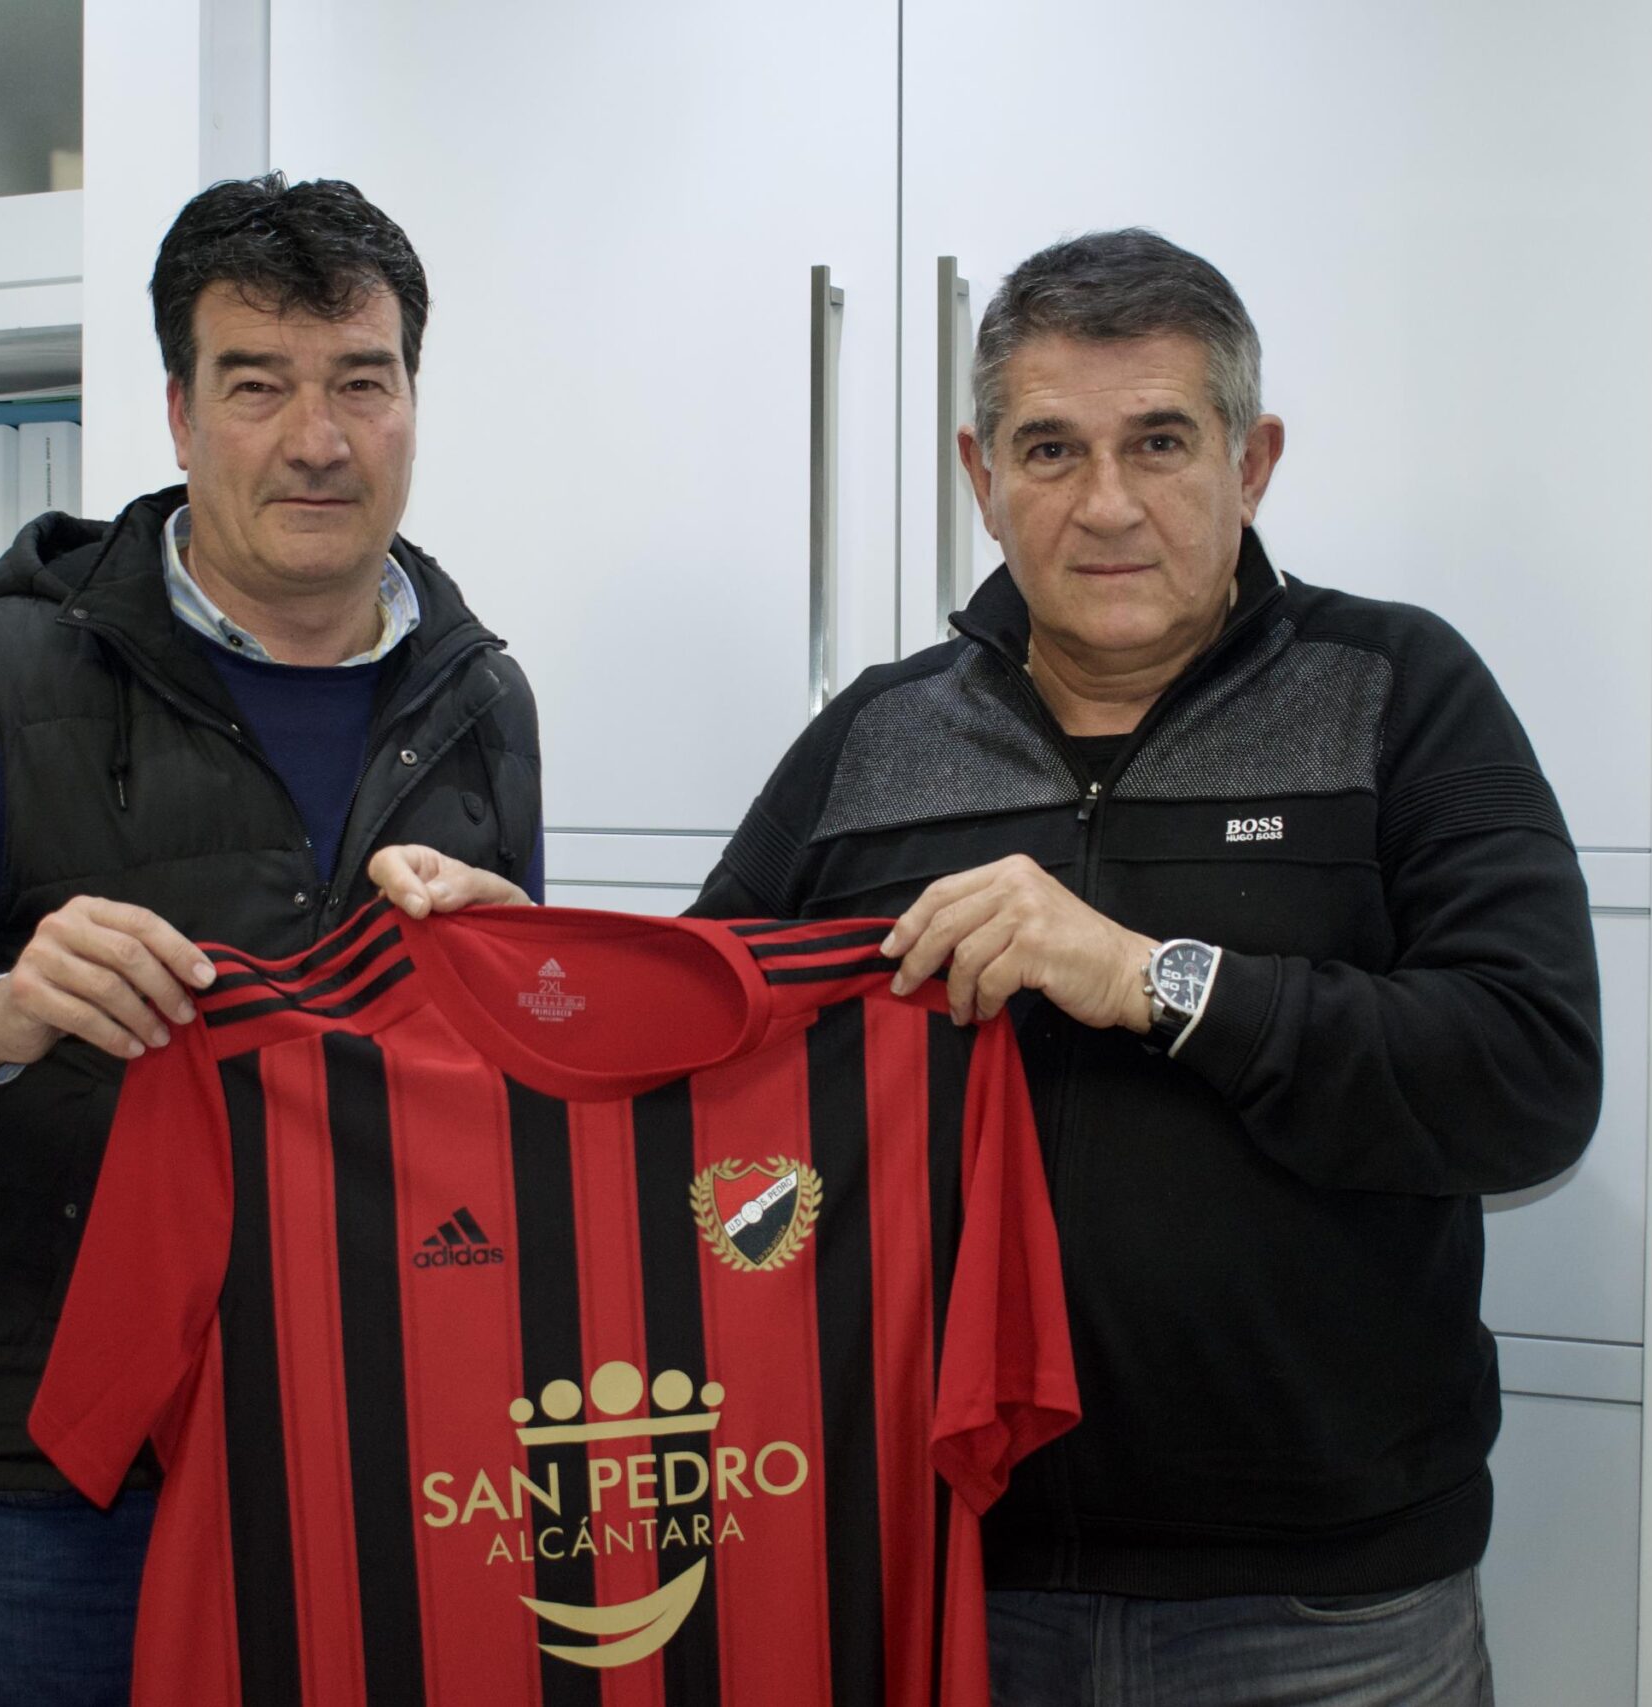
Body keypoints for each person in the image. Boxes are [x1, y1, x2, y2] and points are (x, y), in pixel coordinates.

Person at [680, 229, 1605, 1702]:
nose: (1106, 505)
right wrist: (496, 956)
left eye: (1160, 442)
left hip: (1327, 1609)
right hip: (936, 1575)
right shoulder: (875, 738)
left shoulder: (1400, 693)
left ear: (1255, 462)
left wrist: (1154, 980)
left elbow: (1527, 1077)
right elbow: (686, 1034)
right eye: (1051, 450)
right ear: (981, 479)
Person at [0, 175, 543, 1707]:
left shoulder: (484, 700)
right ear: (179, 415)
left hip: (400, 1455)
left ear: (411, 406)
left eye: (361, 384)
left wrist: (526, 987)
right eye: (259, 385)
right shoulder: (8, 678)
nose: (318, 439)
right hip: (71, 1491)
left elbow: (507, 1120)